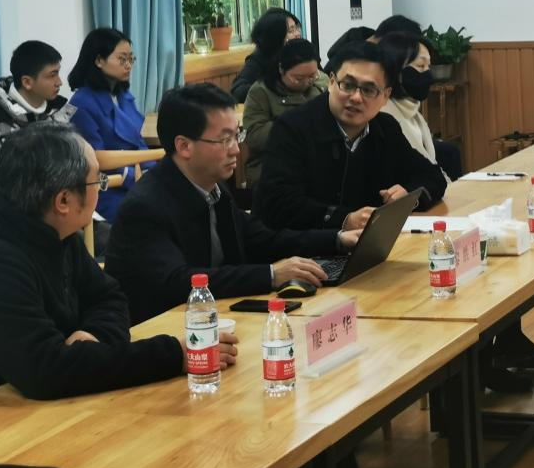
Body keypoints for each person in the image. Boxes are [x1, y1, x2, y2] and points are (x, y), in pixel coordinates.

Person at [0, 122, 235, 420]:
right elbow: (46, 371)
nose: (101, 190)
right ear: (64, 200)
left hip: (12, 407)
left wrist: (94, 336)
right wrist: (175, 355)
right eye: (98, 181)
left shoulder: (48, 226)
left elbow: (110, 297)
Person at [106, 83, 358, 324]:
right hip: (164, 331)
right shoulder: (146, 207)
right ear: (184, 146)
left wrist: (337, 239)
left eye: (237, 135)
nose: (236, 149)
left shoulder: (214, 188)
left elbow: (262, 240)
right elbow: (178, 282)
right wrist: (271, 275)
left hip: (216, 317)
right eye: (225, 139)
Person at [255, 41, 447, 231]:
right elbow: (279, 205)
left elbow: (432, 176)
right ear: (331, 82)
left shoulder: (385, 127)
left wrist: (408, 195)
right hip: (302, 246)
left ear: (385, 96)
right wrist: (344, 220)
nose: (355, 97)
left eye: (368, 90)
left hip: (368, 243)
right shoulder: (292, 128)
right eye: (347, 85)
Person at [0, 40, 75, 199]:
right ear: (27, 82)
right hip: (15, 211)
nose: (59, 82)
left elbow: (74, 170)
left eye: (58, 73)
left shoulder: (58, 115)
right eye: (52, 75)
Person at [66, 27, 149, 222]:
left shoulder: (122, 95)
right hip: (106, 189)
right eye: (122, 59)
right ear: (98, 60)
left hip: (136, 178)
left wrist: (152, 171)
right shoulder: (81, 103)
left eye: (131, 59)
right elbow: (95, 162)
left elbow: (138, 143)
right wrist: (138, 177)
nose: (128, 65)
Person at [242, 38, 327, 192]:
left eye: (312, 76)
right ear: (281, 69)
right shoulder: (261, 91)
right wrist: (298, 121)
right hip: (272, 163)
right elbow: (254, 137)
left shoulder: (322, 83)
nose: (307, 82)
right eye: (298, 78)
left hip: (317, 159)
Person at [376, 32, 442, 173]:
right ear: (395, 69)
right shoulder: (382, 117)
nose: (428, 75)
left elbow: (433, 168)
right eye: (420, 65)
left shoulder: (415, 115)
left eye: (428, 66)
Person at [230, 7, 302, 102]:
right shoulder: (259, 58)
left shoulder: (302, 52)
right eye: (291, 31)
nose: (297, 34)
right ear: (275, 36)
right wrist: (275, 87)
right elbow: (238, 91)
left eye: (296, 28)